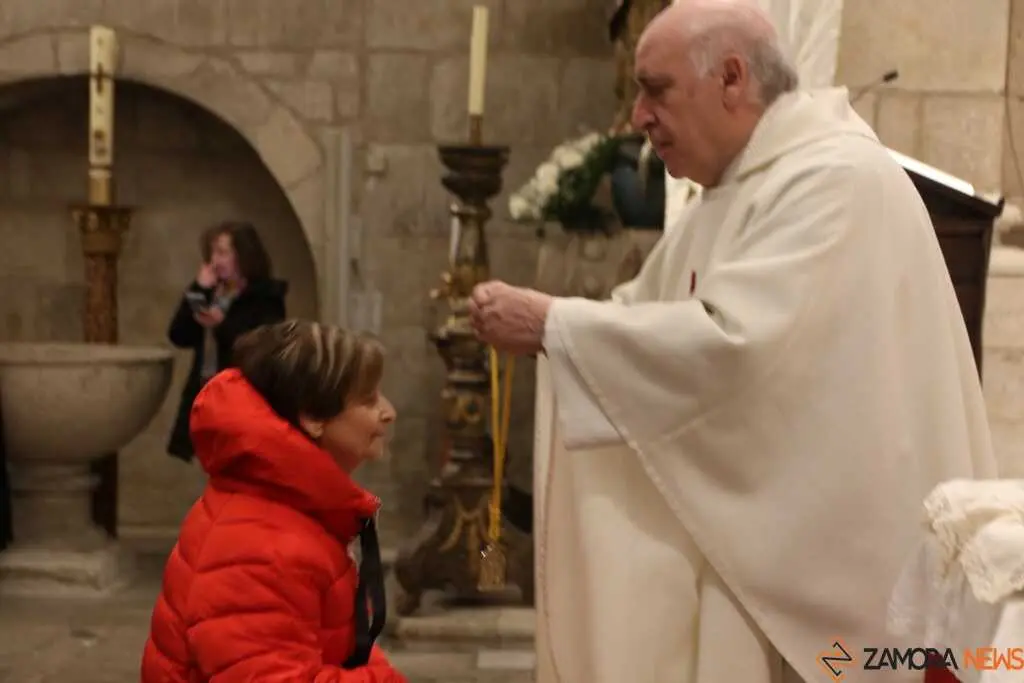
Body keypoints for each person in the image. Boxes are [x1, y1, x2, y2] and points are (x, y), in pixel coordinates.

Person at [469, 1, 997, 681]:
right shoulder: (734, 191)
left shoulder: (833, 181)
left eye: (655, 89)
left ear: (731, 78)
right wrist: (563, 325)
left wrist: (554, 325)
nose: (637, 117)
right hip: (760, 557)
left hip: (834, 568)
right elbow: (645, 315)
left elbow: (738, 352)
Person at [141, 320, 405, 683]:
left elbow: (326, 641)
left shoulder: (285, 508)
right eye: (368, 400)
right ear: (313, 417)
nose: (388, 412)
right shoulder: (264, 547)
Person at [166, 221, 287, 462]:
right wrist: (197, 288)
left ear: (243, 256)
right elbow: (179, 335)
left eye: (222, 253)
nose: (214, 261)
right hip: (207, 395)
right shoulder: (212, 293)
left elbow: (260, 347)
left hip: (244, 400)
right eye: (212, 253)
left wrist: (221, 325)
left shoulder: (265, 298)